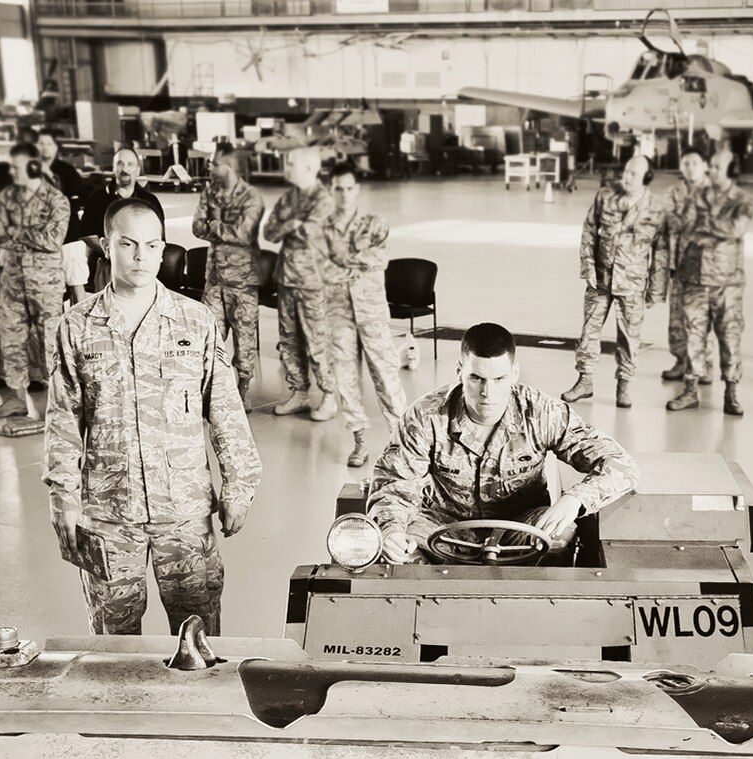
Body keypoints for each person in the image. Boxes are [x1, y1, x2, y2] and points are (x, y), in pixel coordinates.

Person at [44, 191, 261, 637]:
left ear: (163, 248)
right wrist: (62, 497)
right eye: (128, 244)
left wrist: (239, 484)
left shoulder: (195, 321)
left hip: (183, 512)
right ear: (107, 246)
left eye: (152, 245)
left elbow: (224, 408)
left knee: (199, 638)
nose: (141, 256)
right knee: (114, 641)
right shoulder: (77, 326)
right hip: (108, 514)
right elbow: (64, 419)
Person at [368, 323, 638, 564]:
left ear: (515, 373)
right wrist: (391, 531)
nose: (488, 393)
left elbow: (620, 464)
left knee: (561, 534)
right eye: (476, 379)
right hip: (441, 527)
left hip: (520, 530)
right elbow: (394, 483)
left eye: (499, 379)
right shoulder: (425, 416)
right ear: (460, 371)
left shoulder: (542, 412)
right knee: (398, 555)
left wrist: (575, 499)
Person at [319, 161, 410, 469]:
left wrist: (345, 260)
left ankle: (403, 441)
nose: (343, 195)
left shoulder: (374, 223)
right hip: (339, 313)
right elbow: (320, 268)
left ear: (356, 189)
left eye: (348, 188)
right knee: (345, 379)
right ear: (331, 191)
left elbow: (380, 257)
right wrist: (353, 263)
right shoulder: (323, 228)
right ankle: (360, 442)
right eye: (338, 189)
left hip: (370, 313)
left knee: (386, 376)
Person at [565, 150, 667, 410]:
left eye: (633, 173)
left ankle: (624, 385)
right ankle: (584, 381)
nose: (627, 177)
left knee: (629, 337)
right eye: (626, 171)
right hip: (600, 278)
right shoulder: (606, 197)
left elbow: (661, 250)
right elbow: (589, 230)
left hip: (632, 283)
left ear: (647, 176)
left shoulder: (656, 209)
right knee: (589, 331)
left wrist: (656, 288)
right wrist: (587, 266)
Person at [666, 147, 752, 415]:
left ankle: (732, 393)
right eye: (711, 166)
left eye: (717, 167)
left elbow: (735, 228)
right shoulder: (696, 196)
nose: (712, 171)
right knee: (693, 335)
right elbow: (684, 229)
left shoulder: (742, 199)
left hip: (726, 283)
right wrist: (708, 227)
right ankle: (690, 391)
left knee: (729, 337)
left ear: (731, 170)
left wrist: (704, 226)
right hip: (693, 278)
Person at [0, 140, 69, 420]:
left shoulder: (56, 200)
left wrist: (17, 233)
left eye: (16, 166)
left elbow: (53, 241)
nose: (12, 171)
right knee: (11, 338)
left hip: (45, 284)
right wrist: (30, 234)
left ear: (34, 165)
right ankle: (16, 399)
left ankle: (58, 403)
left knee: (50, 343)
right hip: (12, 281)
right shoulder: (8, 197)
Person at [264, 146, 337, 420]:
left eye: (291, 162)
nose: (287, 166)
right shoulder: (287, 198)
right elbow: (269, 232)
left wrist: (293, 225)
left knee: (317, 341)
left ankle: (329, 395)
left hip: (312, 282)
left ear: (309, 168)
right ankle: (299, 391)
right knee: (289, 339)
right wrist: (292, 224)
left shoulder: (324, 200)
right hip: (286, 279)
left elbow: (310, 232)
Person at [190, 140, 264, 397]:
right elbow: (197, 227)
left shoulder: (251, 196)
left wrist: (215, 225)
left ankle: (242, 390)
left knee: (244, 340)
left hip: (242, 282)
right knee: (209, 336)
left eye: (214, 163)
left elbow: (245, 234)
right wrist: (219, 226)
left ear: (229, 167)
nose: (210, 167)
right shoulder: (209, 193)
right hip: (215, 279)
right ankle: (211, 389)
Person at [659, 149, 707, 385]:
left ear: (704, 166)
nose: (690, 167)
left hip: (706, 268)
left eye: (695, 162)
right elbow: (667, 222)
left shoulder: (714, 193)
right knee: (677, 316)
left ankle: (703, 364)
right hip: (678, 265)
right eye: (686, 162)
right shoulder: (673, 193)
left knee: (702, 318)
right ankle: (680, 361)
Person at [78, 146, 149, 292]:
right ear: (114, 168)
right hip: (106, 266)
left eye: (130, 164)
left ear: (138, 169)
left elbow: (159, 239)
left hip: (141, 265)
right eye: (120, 163)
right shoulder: (97, 198)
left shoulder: (149, 201)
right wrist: (114, 253)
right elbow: (86, 234)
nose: (125, 169)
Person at [35, 129, 90, 303]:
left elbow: (78, 198)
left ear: (55, 148)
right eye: (41, 144)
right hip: (44, 237)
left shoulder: (66, 170)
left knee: (76, 282)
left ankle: (78, 324)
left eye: (49, 144)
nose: (45, 148)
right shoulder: (30, 172)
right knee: (49, 287)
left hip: (69, 235)